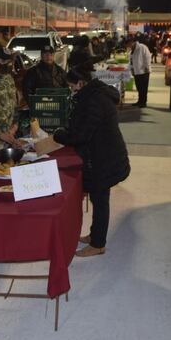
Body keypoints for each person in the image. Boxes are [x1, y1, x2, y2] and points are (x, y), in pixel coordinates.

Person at [53, 68, 130, 257]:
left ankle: (98, 244)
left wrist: (59, 135)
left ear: (81, 83)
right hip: (103, 155)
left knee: (100, 200)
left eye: (72, 87)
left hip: (104, 159)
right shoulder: (96, 94)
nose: (71, 91)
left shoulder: (94, 100)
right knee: (98, 199)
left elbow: (82, 134)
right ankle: (95, 235)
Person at [127, 37, 152, 108]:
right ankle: (139, 101)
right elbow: (131, 61)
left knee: (143, 88)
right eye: (128, 44)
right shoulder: (132, 50)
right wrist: (131, 69)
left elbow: (147, 57)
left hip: (144, 71)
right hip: (136, 71)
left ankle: (143, 102)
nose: (129, 45)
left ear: (133, 42)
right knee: (139, 87)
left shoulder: (142, 47)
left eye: (129, 43)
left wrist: (147, 67)